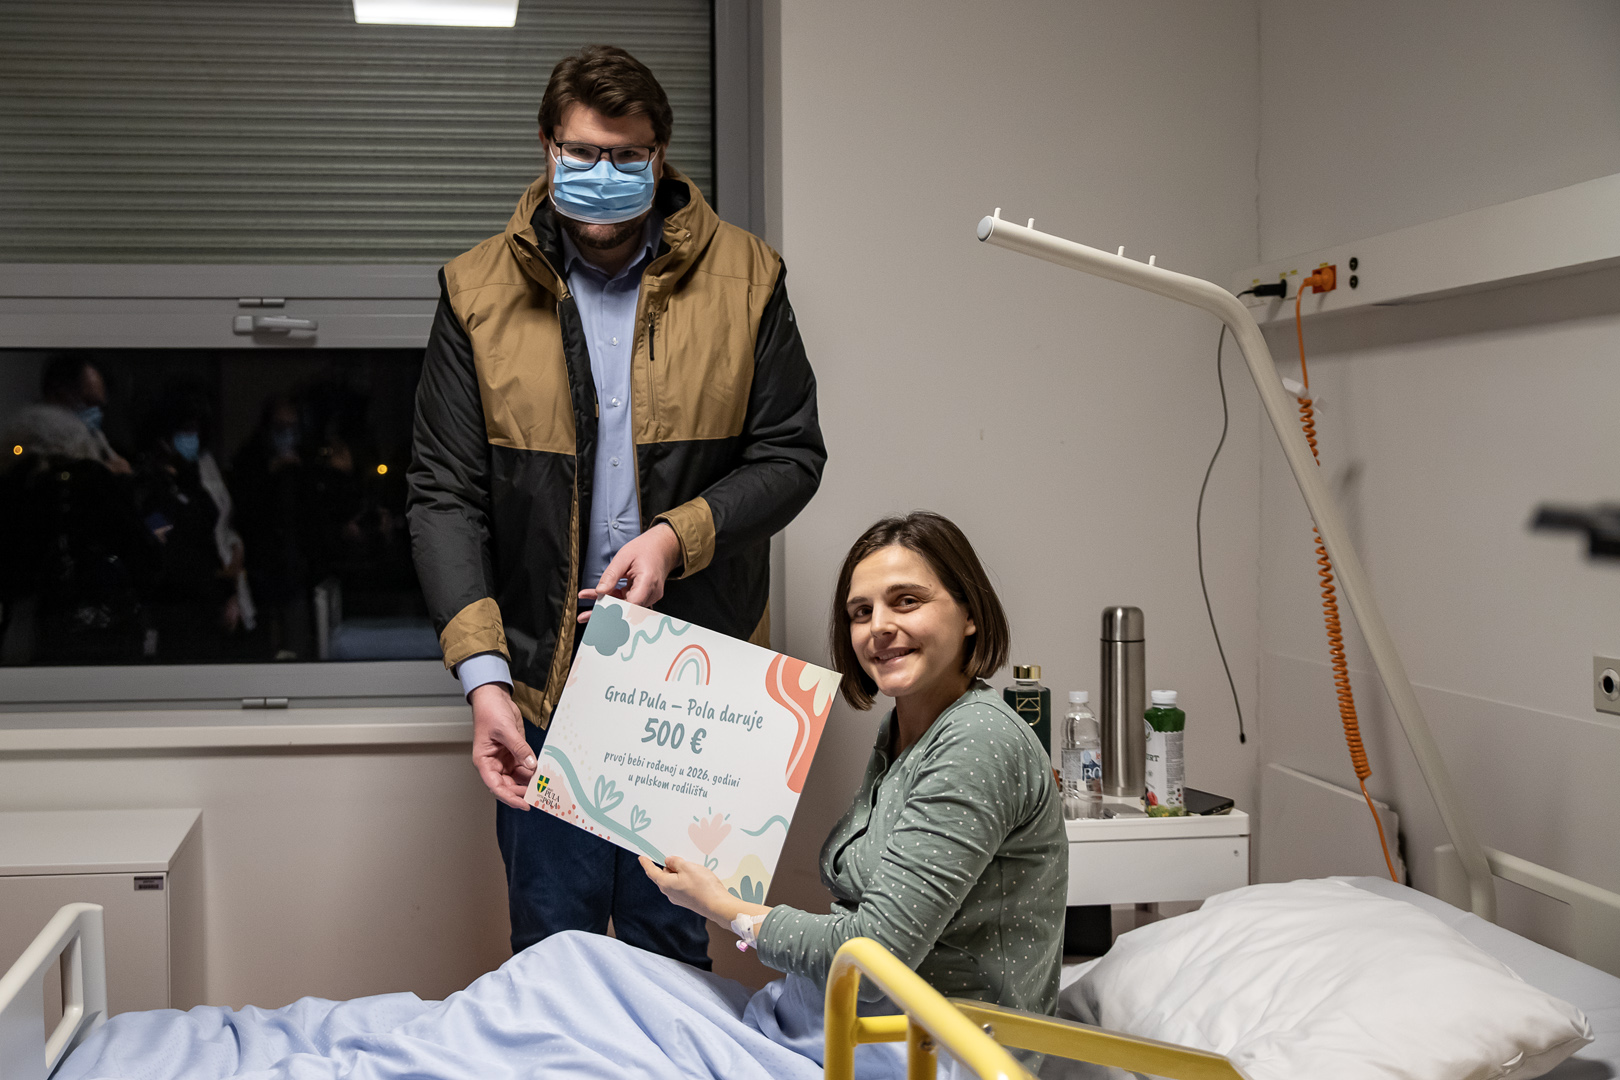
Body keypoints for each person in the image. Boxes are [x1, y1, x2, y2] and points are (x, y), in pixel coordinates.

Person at [55, 513, 1066, 1080]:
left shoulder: (978, 744)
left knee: (559, 1024)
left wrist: (725, 907)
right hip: (825, 1020)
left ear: (971, 616)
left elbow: (878, 946)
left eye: (906, 601)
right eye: (860, 610)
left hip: (918, 1052)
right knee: (572, 965)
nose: (878, 627)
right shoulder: (909, 731)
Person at [407, 44, 825, 966]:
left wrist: (677, 538)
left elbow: (792, 455)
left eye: (627, 156)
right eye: (583, 153)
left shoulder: (749, 277)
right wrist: (483, 681)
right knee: (550, 952)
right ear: (547, 148)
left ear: (661, 156)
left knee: (671, 947)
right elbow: (443, 496)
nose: (604, 173)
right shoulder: (474, 290)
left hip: (690, 681)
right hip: (540, 680)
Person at [5, 355, 132, 473]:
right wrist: (108, 472)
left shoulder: (92, 436)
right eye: (88, 401)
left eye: (98, 405)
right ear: (59, 392)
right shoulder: (43, 432)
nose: (95, 412)